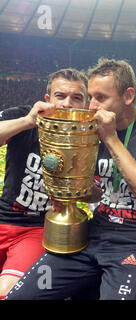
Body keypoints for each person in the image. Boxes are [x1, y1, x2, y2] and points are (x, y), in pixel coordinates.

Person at [6, 58, 136, 300]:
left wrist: (110, 139)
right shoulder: (90, 129)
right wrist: (70, 189)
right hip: (93, 235)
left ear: (128, 96)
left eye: (101, 98)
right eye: (91, 98)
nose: (92, 106)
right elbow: (96, 191)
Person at [0, 68, 90, 299]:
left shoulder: (91, 135)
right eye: (60, 96)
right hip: (3, 218)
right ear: (48, 99)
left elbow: (96, 194)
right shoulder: (24, 118)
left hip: (38, 229)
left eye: (76, 97)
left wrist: (77, 193)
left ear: (86, 103)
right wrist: (27, 121)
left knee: (8, 292)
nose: (67, 104)